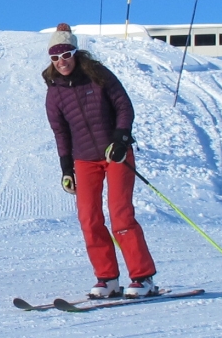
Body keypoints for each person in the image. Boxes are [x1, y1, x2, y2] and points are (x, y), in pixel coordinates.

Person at [43, 25, 158, 298]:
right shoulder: (54, 93)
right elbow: (61, 133)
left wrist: (120, 139)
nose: (61, 61)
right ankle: (107, 279)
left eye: (66, 54)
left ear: (76, 53)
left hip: (114, 153)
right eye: (55, 57)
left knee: (121, 215)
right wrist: (66, 169)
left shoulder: (98, 75)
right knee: (89, 218)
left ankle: (143, 279)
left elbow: (123, 106)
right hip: (84, 160)